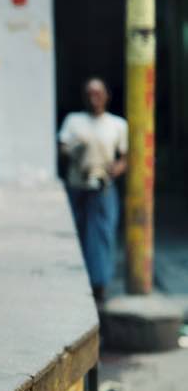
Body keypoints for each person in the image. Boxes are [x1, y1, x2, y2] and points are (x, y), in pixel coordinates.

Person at [58, 78, 128, 303]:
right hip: (78, 187)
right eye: (89, 93)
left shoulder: (117, 125)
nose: (93, 97)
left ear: (107, 96)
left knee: (103, 237)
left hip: (103, 188)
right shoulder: (74, 121)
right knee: (78, 235)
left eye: (98, 93)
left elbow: (125, 158)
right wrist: (74, 152)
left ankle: (100, 285)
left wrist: (115, 169)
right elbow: (62, 148)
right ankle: (78, 284)